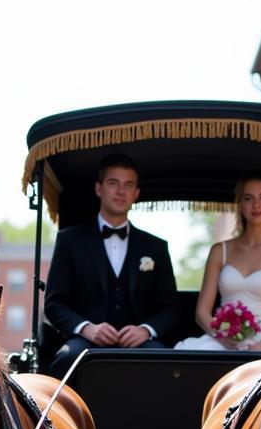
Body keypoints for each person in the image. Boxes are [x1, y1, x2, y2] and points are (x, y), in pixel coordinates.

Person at [44, 152, 179, 376]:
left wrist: (146, 330)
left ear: (136, 194)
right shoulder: (70, 241)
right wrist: (86, 328)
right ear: (99, 188)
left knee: (167, 362)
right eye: (113, 183)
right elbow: (54, 304)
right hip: (85, 341)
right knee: (65, 359)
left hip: (141, 343)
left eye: (128, 185)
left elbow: (171, 308)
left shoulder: (156, 247)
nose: (120, 191)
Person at [175, 172, 261, 353]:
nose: (256, 204)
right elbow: (202, 312)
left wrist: (258, 348)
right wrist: (223, 338)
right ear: (240, 205)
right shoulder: (219, 251)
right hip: (221, 340)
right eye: (248, 198)